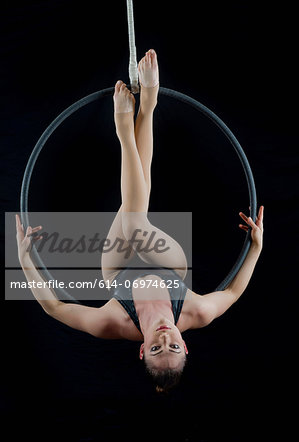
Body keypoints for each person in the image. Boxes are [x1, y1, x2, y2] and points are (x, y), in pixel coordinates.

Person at [15, 49, 264, 394]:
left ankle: (147, 105)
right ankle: (128, 122)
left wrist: (24, 259)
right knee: (135, 217)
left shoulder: (113, 323)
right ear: (185, 345)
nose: (166, 339)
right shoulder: (196, 313)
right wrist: (256, 249)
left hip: (117, 270)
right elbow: (234, 292)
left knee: (135, 205)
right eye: (174, 347)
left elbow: (53, 306)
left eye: (157, 349)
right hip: (170, 265)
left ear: (142, 350)